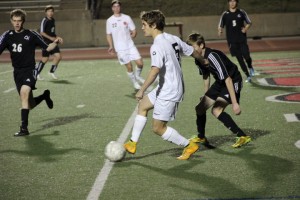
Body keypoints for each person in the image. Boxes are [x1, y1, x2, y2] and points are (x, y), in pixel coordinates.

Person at [124, 10, 206, 160]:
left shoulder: (157, 45)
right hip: (166, 86)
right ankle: (132, 143)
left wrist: (141, 90)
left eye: (144, 25)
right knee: (142, 106)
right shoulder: (173, 38)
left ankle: (189, 145)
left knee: (158, 128)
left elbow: (155, 70)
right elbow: (192, 51)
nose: (142, 28)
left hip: (170, 90)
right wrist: (203, 61)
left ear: (153, 25)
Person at [0, 9, 60, 136]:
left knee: (24, 92)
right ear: (11, 21)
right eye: (14, 21)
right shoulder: (7, 35)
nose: (17, 23)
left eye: (19, 21)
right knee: (29, 104)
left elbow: (47, 47)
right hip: (17, 72)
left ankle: (24, 129)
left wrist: (55, 42)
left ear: (23, 21)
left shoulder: (31, 34)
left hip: (30, 70)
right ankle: (44, 96)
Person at [186, 33, 251, 148]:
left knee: (216, 110)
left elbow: (228, 79)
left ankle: (242, 136)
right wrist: (206, 94)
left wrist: (235, 103)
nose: (192, 51)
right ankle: (201, 137)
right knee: (200, 108)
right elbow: (206, 75)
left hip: (233, 80)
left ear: (201, 45)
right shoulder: (198, 58)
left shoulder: (213, 56)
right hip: (220, 82)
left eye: (193, 47)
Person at [106, 0, 145, 90]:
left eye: (118, 6)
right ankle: (134, 82)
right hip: (120, 49)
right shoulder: (109, 21)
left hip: (130, 45)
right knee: (129, 66)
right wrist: (111, 46)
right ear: (112, 8)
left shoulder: (127, 18)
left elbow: (134, 30)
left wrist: (134, 34)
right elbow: (108, 34)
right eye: (114, 6)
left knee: (140, 63)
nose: (116, 8)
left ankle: (138, 76)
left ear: (120, 7)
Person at [218, 0, 256, 83]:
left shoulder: (241, 12)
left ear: (237, 3)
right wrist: (220, 30)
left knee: (247, 56)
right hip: (232, 41)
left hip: (242, 39)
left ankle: (250, 67)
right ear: (228, 3)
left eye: (234, 1)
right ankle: (248, 75)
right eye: (230, 1)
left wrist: (246, 28)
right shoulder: (225, 14)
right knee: (240, 59)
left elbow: (249, 22)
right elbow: (220, 25)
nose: (232, 3)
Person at [35, 5, 63, 80]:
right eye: (48, 11)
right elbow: (42, 32)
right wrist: (51, 38)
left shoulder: (53, 20)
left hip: (53, 42)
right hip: (45, 43)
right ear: (46, 12)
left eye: (51, 11)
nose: (50, 13)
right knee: (45, 58)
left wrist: (58, 37)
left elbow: (52, 33)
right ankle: (37, 73)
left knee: (58, 56)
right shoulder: (44, 20)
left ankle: (51, 72)